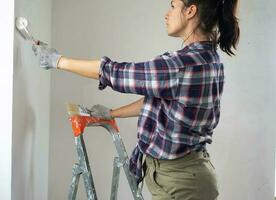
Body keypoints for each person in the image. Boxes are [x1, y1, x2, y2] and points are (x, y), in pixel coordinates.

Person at [32, 0, 240, 199]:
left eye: (173, 6)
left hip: (180, 184)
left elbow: (116, 73)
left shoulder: (183, 64)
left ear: (190, 11)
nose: (166, 14)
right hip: (190, 176)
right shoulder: (208, 59)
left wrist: (59, 61)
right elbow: (161, 101)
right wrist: (112, 113)